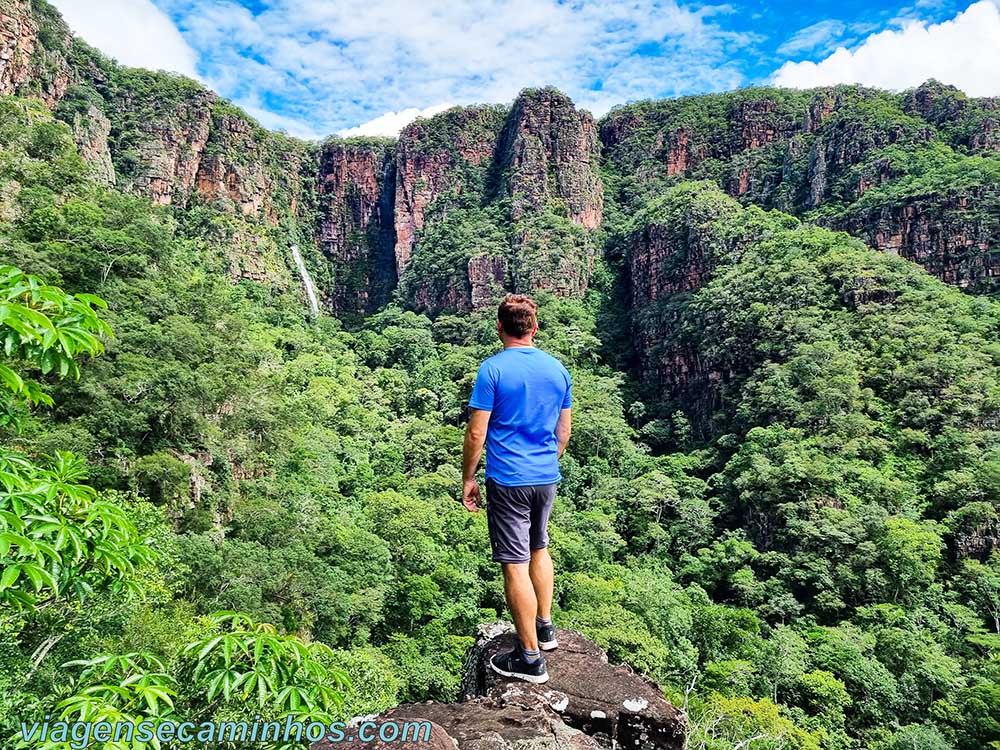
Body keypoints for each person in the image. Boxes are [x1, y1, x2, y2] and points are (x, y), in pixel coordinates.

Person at [461, 293, 572, 684]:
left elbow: (477, 431)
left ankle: (529, 659)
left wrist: (469, 478)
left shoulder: (492, 370)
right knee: (540, 546)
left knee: (514, 563)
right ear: (534, 328)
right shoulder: (557, 369)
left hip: (509, 479)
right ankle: (545, 628)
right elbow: (564, 433)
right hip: (546, 477)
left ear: (499, 328)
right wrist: (545, 462)